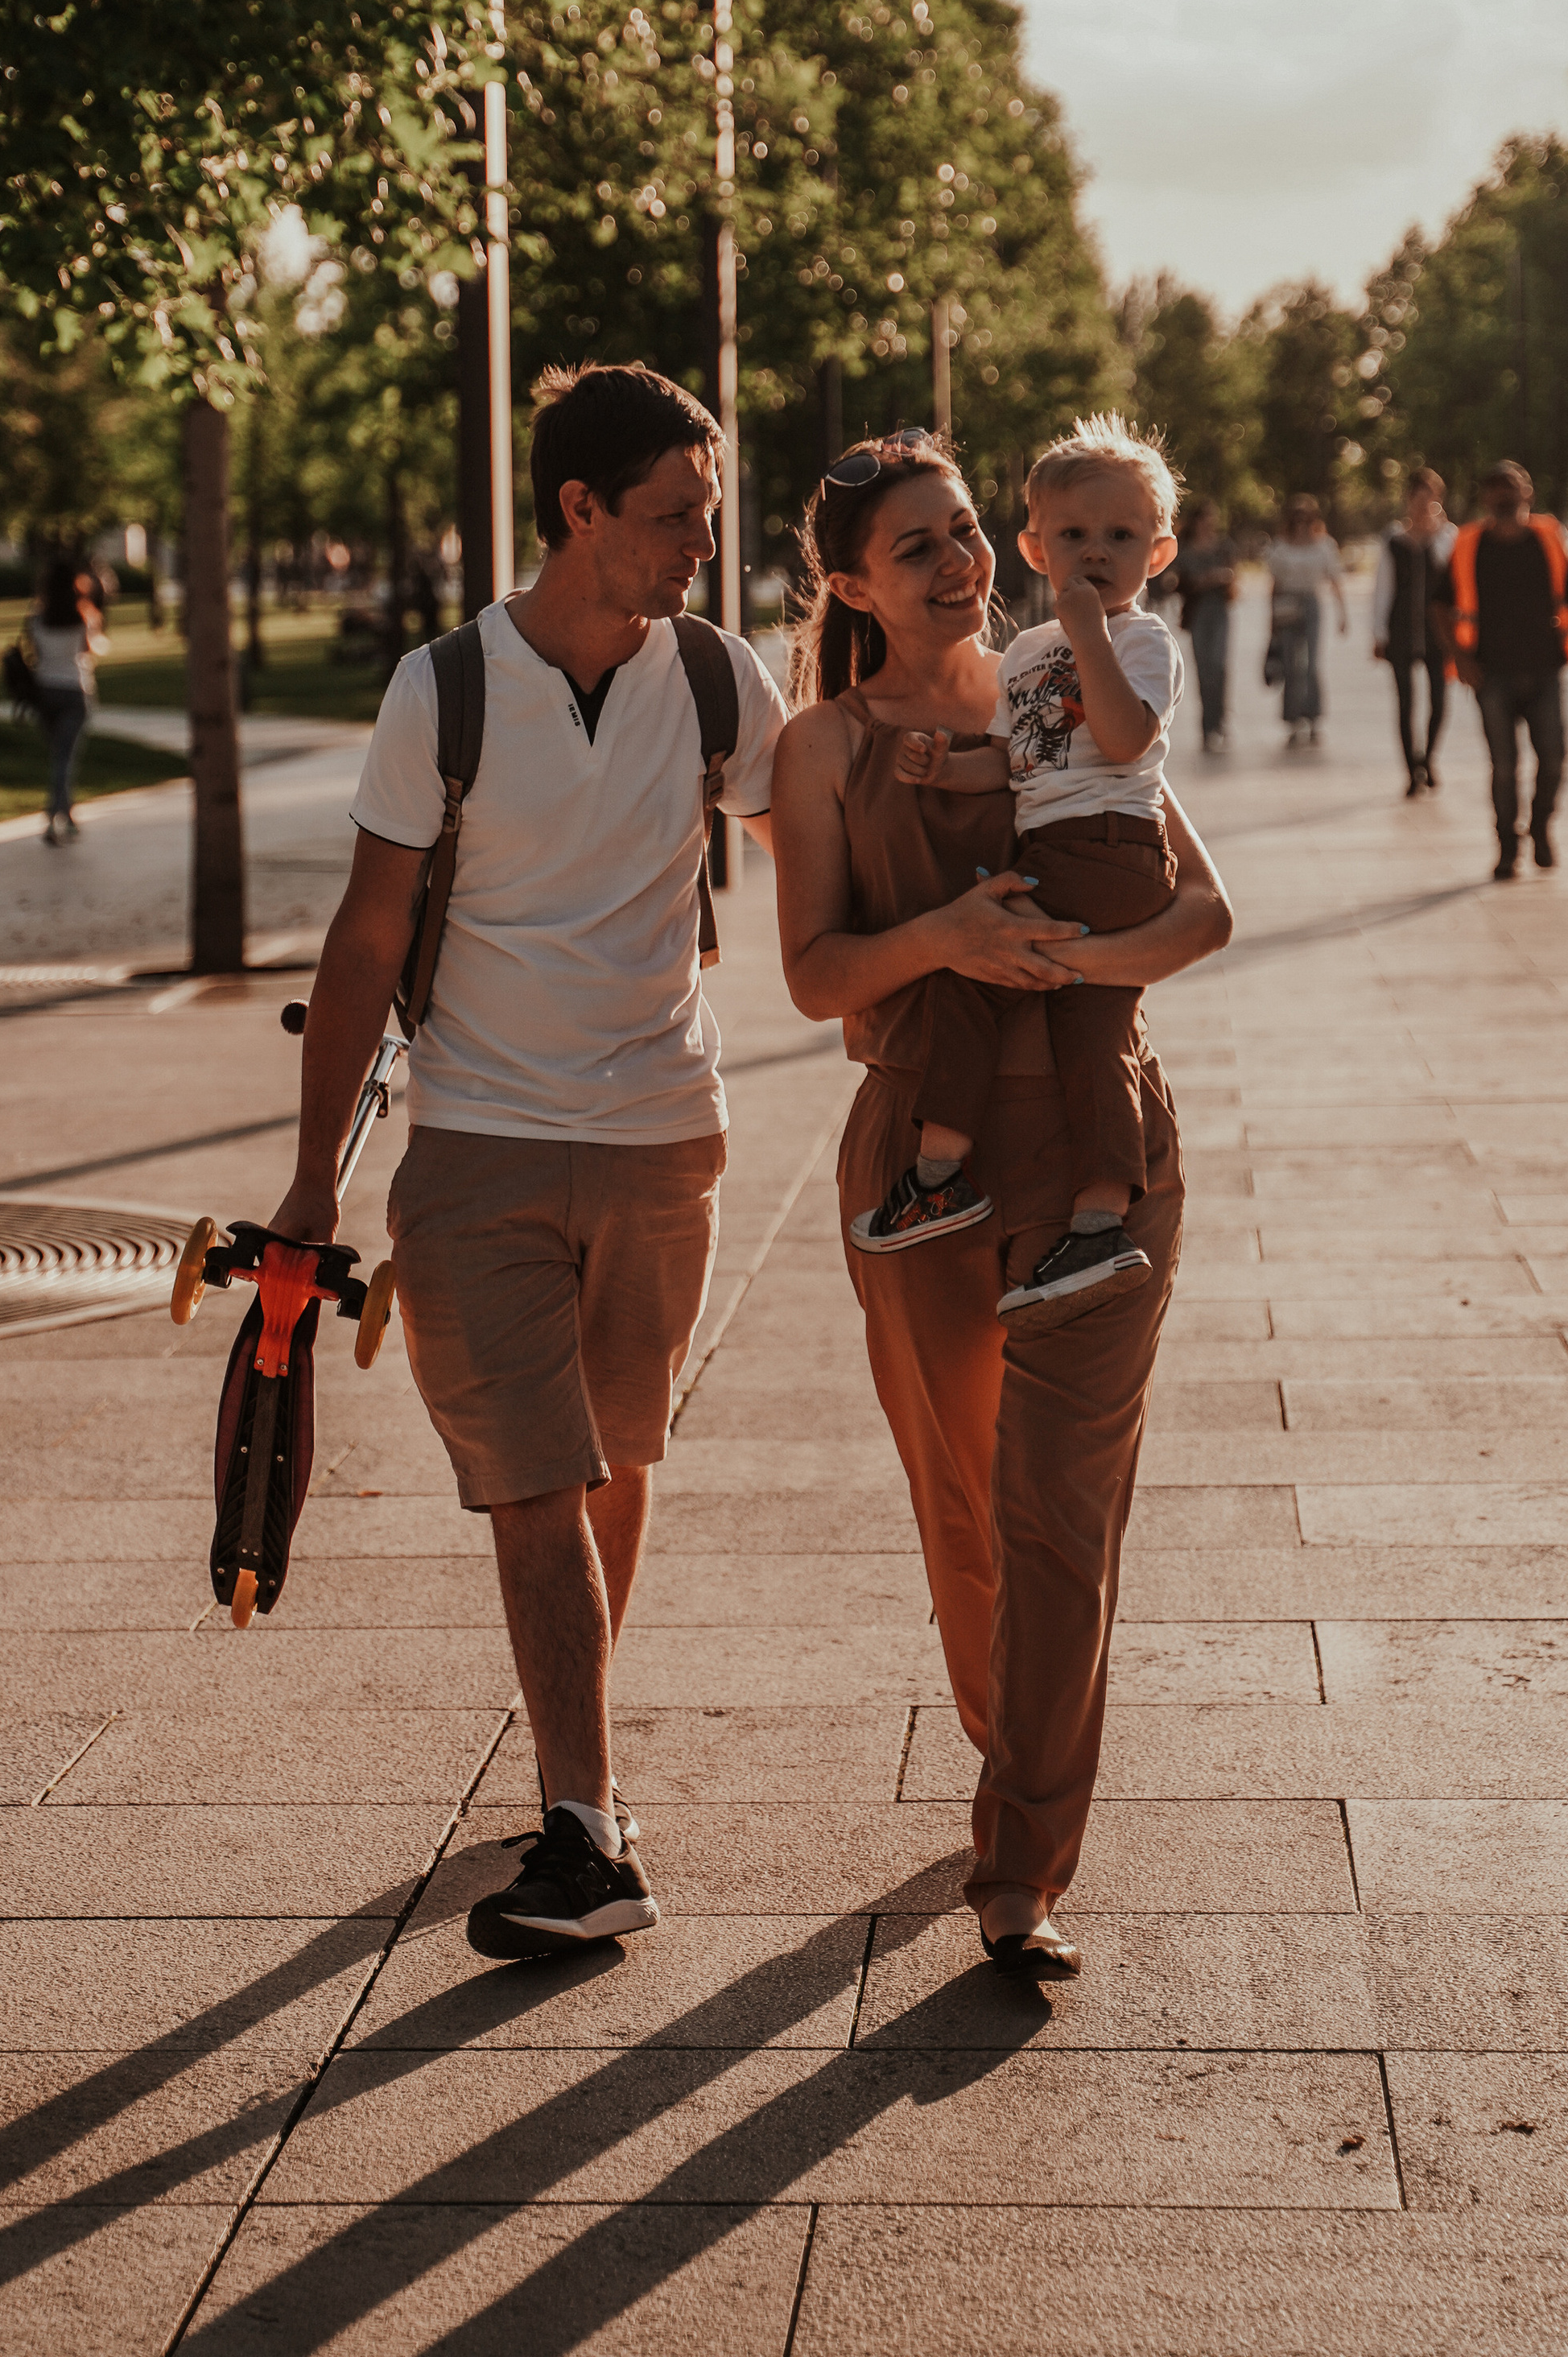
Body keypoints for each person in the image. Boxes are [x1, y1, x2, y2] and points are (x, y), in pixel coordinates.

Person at [262, 363, 783, 1958]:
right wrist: (310, 1181)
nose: (702, 544)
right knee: (537, 1479)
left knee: (612, 1459)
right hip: (479, 1145)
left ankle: (581, 1781)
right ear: (578, 509)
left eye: (706, 514)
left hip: (662, 1139)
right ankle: (586, 1827)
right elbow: (366, 939)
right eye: (675, 516)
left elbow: (822, 836)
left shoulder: (717, 680)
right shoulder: (446, 690)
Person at [772, 431, 1232, 1983]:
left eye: (968, 529)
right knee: (967, 1512)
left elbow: (1201, 907)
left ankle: (1020, 1867)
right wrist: (951, 940)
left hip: (1105, 1145)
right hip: (926, 1159)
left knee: (1059, 1515)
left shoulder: (1067, 690)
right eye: (918, 546)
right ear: (852, 586)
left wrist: (1072, 964)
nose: (961, 561)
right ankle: (1008, 1737)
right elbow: (814, 974)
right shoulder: (824, 747)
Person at [849, 419, 1184, 1327]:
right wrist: (941, 770)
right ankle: (1099, 1222)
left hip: (1110, 847)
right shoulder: (1030, 653)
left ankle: (937, 1175)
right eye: (1073, 534)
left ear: (1157, 553)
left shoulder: (1141, 639)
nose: (1095, 553)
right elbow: (1013, 763)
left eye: (1121, 536)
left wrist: (1091, 636)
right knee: (1093, 1032)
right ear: (1036, 548)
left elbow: (1125, 739)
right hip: (1057, 848)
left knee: (971, 974)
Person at [1434, 460, 1568, 879]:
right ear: (1485, 497)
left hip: (1545, 670)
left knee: (1555, 758)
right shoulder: (1469, 543)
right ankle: (1507, 848)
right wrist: (1460, 657)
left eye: (1510, 486)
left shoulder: (1548, 538)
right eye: (1494, 487)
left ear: (1528, 492)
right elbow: (1438, 604)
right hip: (1491, 674)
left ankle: (1541, 825)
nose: (1503, 494)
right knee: (1505, 767)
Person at [1371, 472, 1456, 796]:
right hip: (1402, 631)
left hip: (1438, 634)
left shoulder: (1447, 537)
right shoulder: (1393, 540)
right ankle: (1411, 771)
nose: (1423, 507)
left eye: (1429, 499)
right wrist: (1379, 632)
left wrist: (1435, 535)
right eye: (1417, 499)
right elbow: (1383, 588)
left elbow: (1453, 580)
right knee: (1406, 703)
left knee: (1439, 701)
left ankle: (1428, 758)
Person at [24, 560, 104, 844]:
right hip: (74, 690)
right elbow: (90, 649)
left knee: (59, 757)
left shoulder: (36, 620)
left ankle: (67, 817)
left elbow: (35, 653)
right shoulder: (83, 617)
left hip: (44, 693)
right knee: (65, 758)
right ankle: (53, 818)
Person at [1265, 496, 1348, 746]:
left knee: (1312, 663)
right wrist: (1272, 618)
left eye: (1306, 518)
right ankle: (1293, 720)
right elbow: (1275, 584)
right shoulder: (1281, 548)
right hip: (1288, 603)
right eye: (1297, 518)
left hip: (1312, 603)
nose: (1301, 523)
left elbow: (1334, 580)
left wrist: (1343, 613)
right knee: (1291, 664)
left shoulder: (1323, 546)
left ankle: (1313, 718)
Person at [1173, 497, 1236, 753]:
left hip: (1219, 609)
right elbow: (1178, 581)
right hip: (1197, 611)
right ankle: (1207, 728)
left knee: (1219, 667)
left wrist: (1220, 578)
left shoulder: (1223, 546)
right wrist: (1200, 581)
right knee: (1203, 670)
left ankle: (1220, 722)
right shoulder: (1186, 549)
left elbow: (1232, 574)